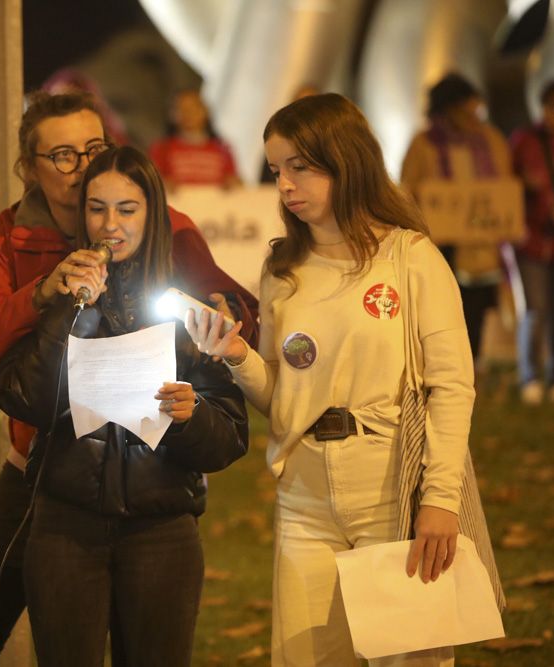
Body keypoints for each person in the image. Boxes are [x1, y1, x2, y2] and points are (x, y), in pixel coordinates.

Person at [0, 90, 260, 666]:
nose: (80, 167)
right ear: (31, 168)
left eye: (93, 147)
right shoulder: (14, 236)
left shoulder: (170, 240)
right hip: (46, 478)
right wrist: (49, 297)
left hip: (156, 493)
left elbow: (234, 324)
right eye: (63, 155)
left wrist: (224, 320)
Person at [187, 93, 476, 665]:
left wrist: (440, 499)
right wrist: (239, 356)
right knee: (306, 657)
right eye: (275, 170)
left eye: (301, 165)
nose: (286, 186)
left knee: (408, 655)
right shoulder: (281, 271)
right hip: (304, 497)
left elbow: (452, 385)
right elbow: (286, 397)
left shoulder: (409, 256)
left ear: (346, 161)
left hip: (392, 484)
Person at [401, 73, 513, 365]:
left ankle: (472, 361)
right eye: (466, 108)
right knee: (440, 305)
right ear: (449, 108)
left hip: (480, 244)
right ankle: (440, 364)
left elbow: (504, 185)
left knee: (476, 305)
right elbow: (409, 188)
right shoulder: (424, 144)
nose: (473, 115)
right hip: (440, 243)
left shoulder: (490, 139)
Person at [509, 79, 554, 404]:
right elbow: (504, 186)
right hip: (531, 242)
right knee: (534, 310)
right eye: (551, 106)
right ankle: (529, 376)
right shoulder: (524, 142)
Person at [150, 88, 241, 189]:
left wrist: (233, 183)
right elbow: (152, 182)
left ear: (205, 111)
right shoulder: (162, 148)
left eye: (193, 107)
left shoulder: (223, 149)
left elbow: (234, 180)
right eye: (181, 109)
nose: (188, 113)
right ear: (172, 114)